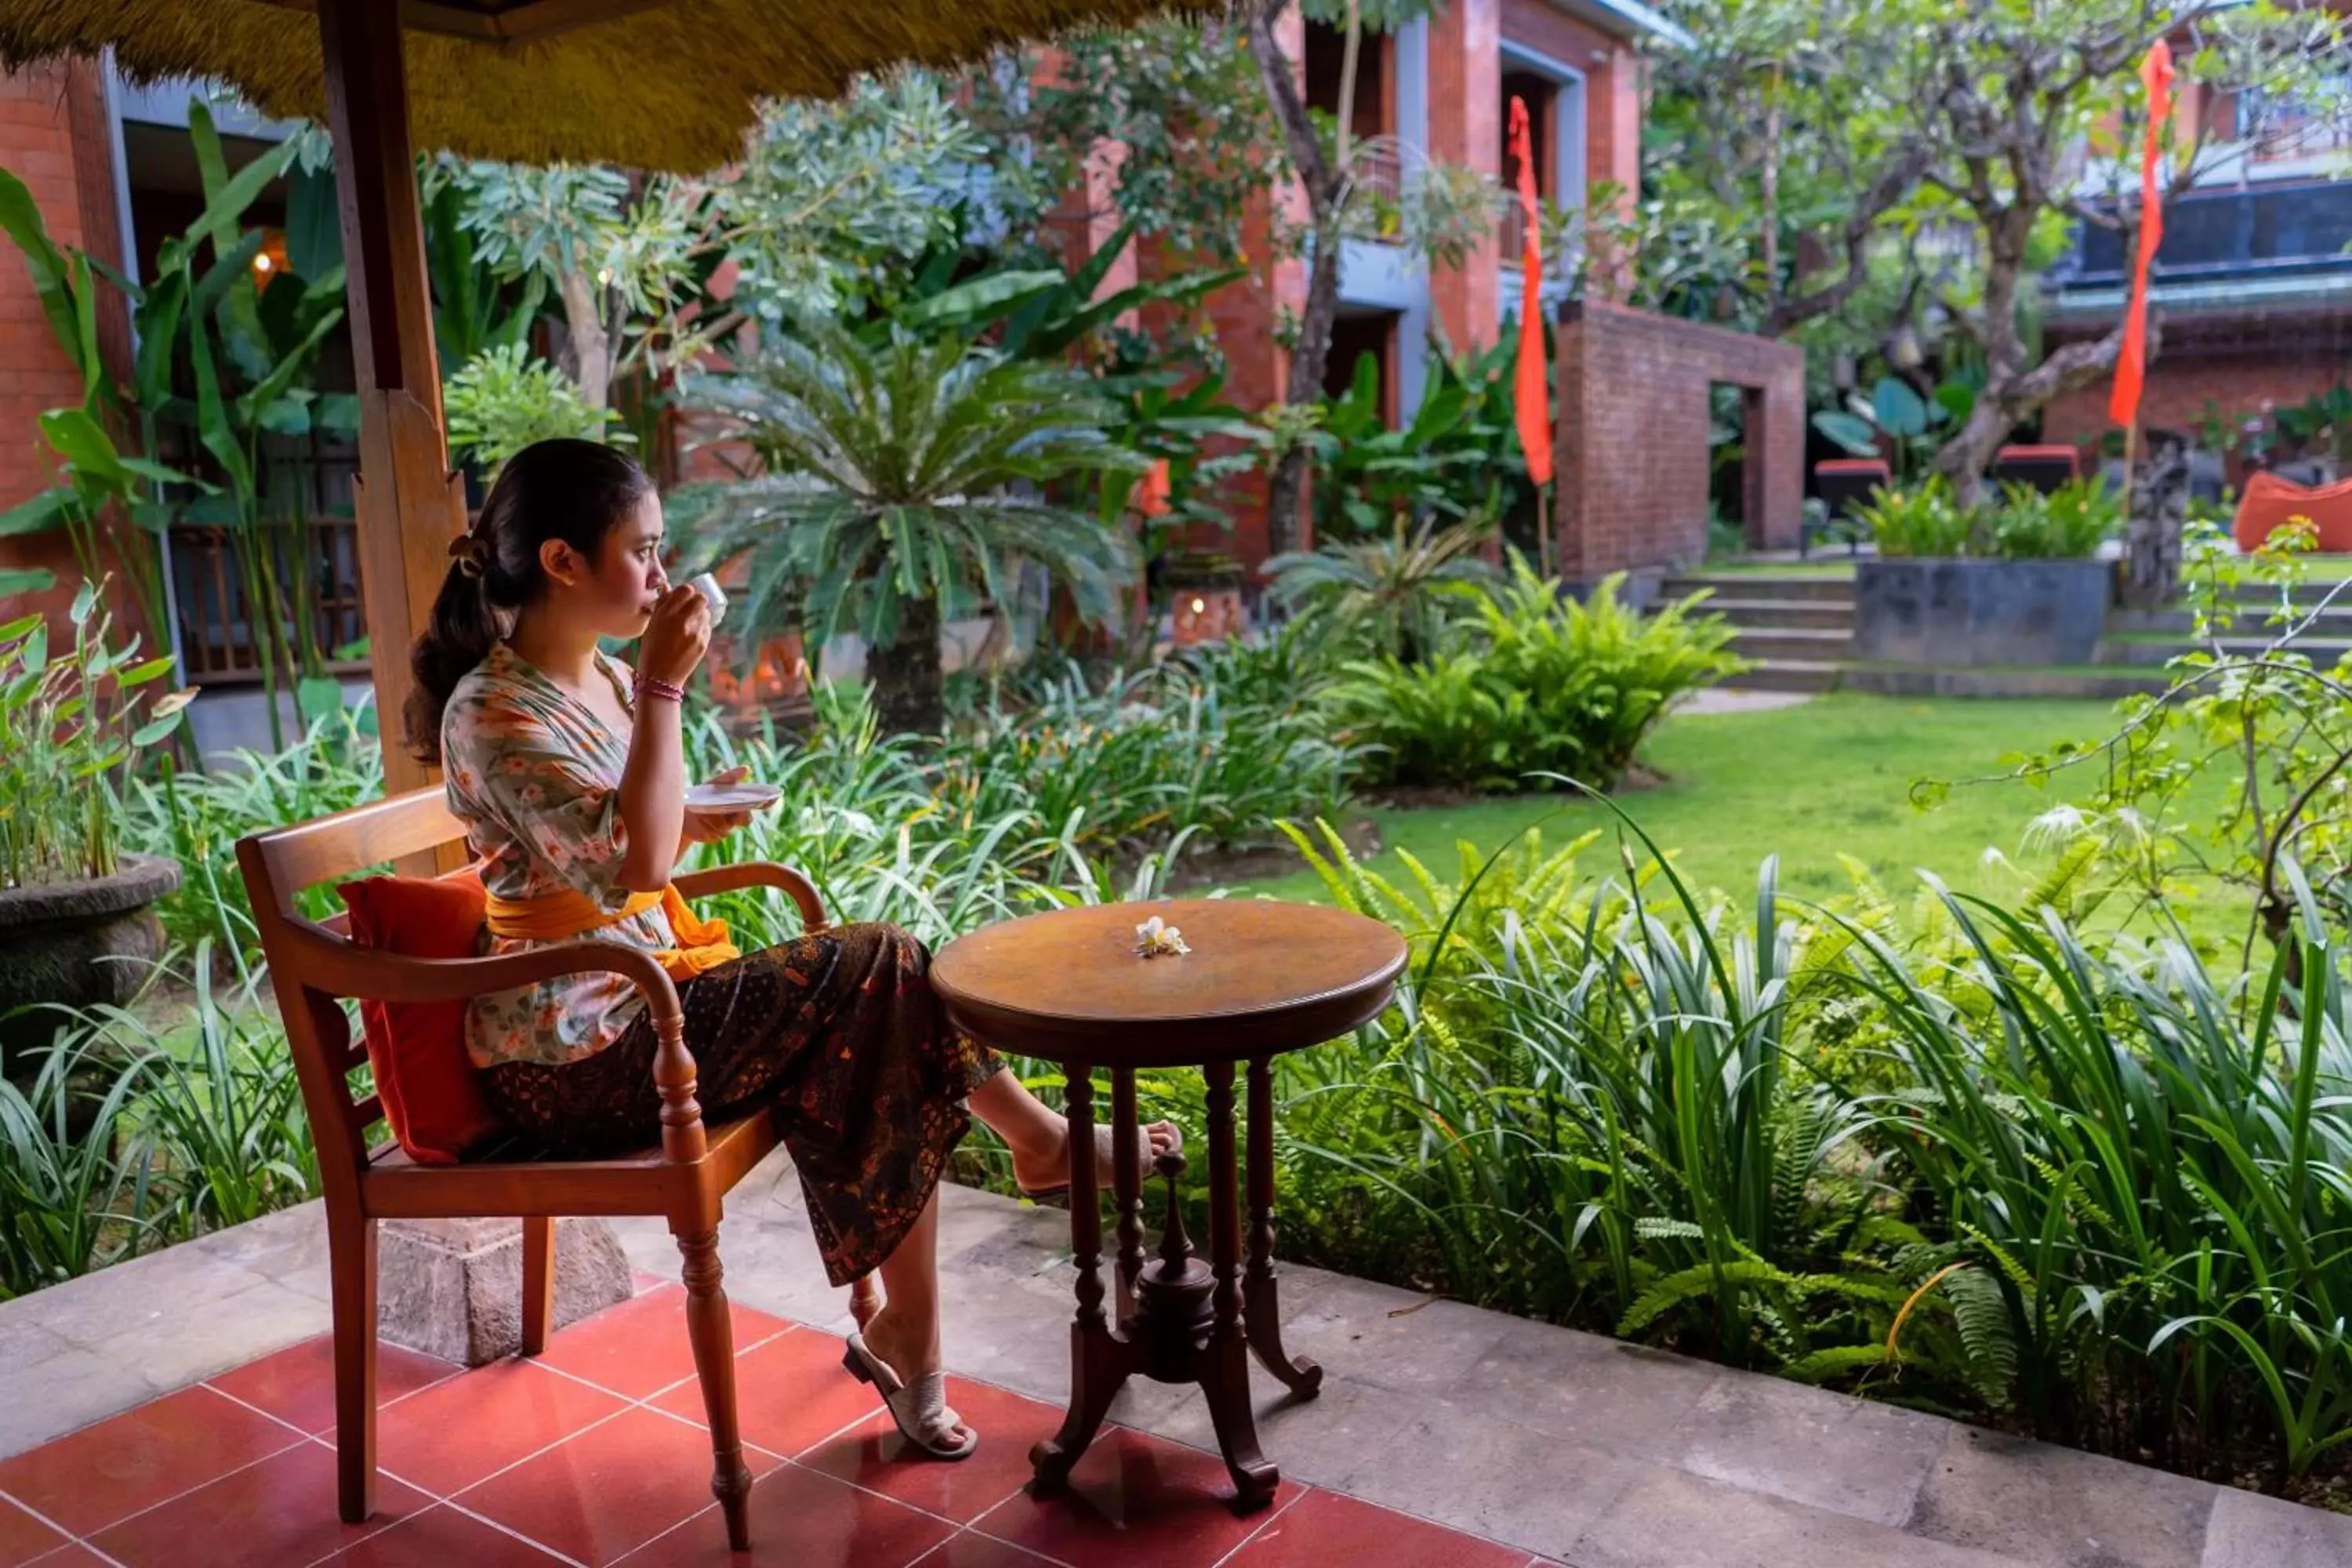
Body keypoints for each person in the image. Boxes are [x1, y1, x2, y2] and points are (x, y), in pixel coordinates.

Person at [405, 438, 1178, 1460]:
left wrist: (685, 803)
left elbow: (634, 834)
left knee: (883, 1013)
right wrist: (668, 698)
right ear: (562, 562)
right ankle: (1030, 1150)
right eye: (641, 551)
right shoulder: (492, 710)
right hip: (571, 1058)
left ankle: (921, 1328)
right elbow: (629, 866)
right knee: (883, 961)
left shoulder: (598, 679)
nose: (663, 576)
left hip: (643, 1005)